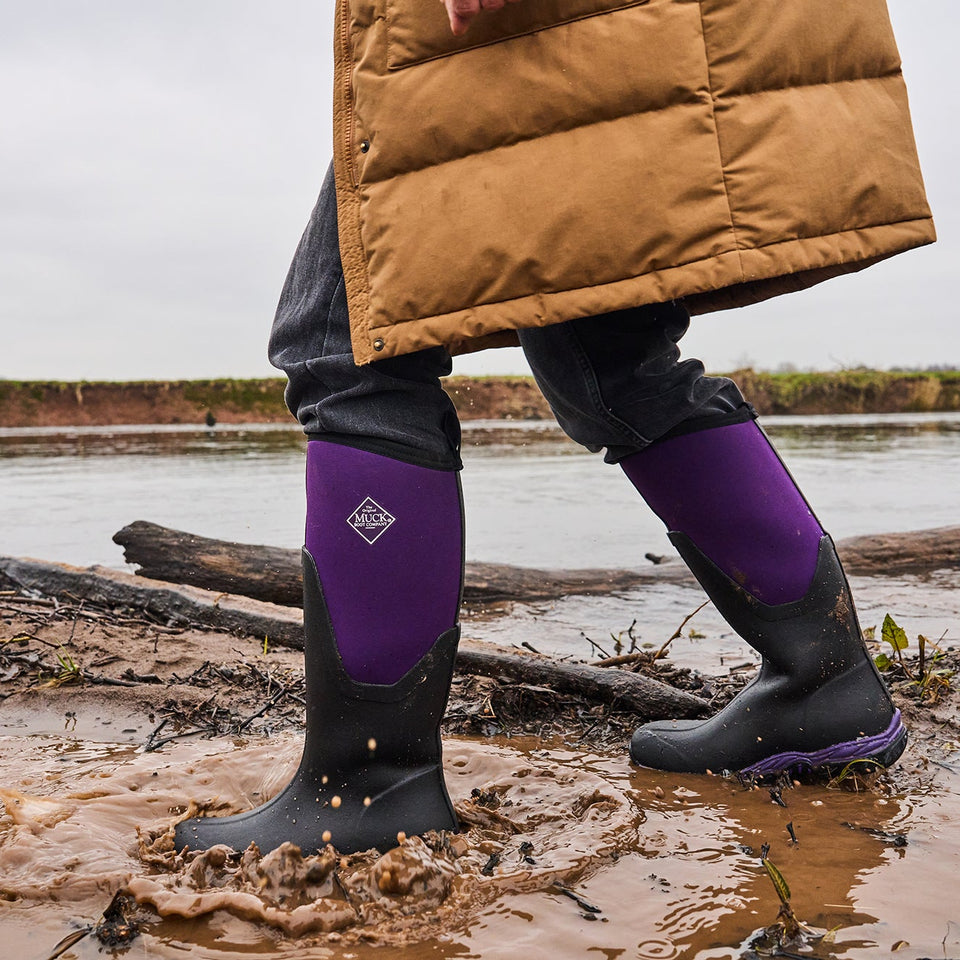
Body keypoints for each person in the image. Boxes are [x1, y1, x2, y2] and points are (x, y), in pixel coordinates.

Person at [175, 0, 934, 855]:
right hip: (601, 29)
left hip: (529, 27)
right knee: (605, 357)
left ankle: (368, 787)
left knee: (349, 348)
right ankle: (822, 685)